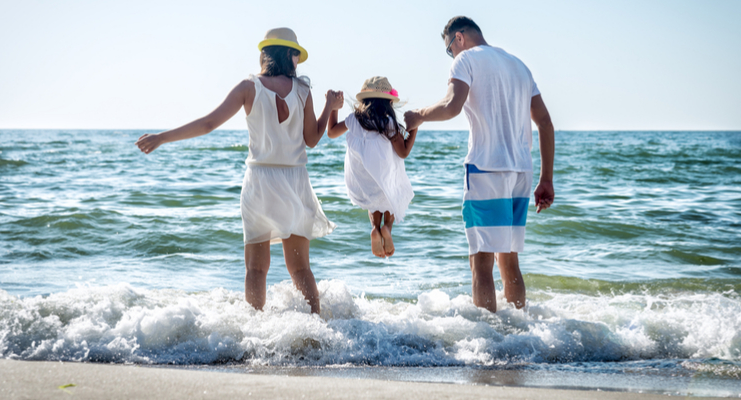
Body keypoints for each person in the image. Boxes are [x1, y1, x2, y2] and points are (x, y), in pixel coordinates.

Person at [135, 28, 343, 314]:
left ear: (265, 54)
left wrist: (162, 137)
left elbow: (209, 124)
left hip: (258, 182)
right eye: (296, 55)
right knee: (300, 268)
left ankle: (253, 332)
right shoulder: (303, 90)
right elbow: (312, 139)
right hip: (294, 181)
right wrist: (330, 107)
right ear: (289, 55)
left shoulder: (248, 87)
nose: (298, 61)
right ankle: (316, 332)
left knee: (256, 269)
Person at [404, 16, 555, 312]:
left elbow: (451, 107)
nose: (451, 55)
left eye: (449, 49)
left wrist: (418, 116)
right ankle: (520, 337)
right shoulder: (519, 65)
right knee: (508, 260)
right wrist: (546, 179)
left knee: (481, 262)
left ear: (459, 37)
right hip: (521, 172)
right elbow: (546, 122)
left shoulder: (466, 60)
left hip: (486, 168)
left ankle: (489, 346)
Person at [327, 77, 417, 258]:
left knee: (373, 203)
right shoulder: (388, 123)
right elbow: (403, 152)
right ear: (388, 103)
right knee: (390, 200)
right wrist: (414, 128)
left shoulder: (354, 120)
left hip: (362, 178)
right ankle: (387, 228)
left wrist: (333, 108)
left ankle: (375, 228)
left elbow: (331, 132)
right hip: (384, 177)